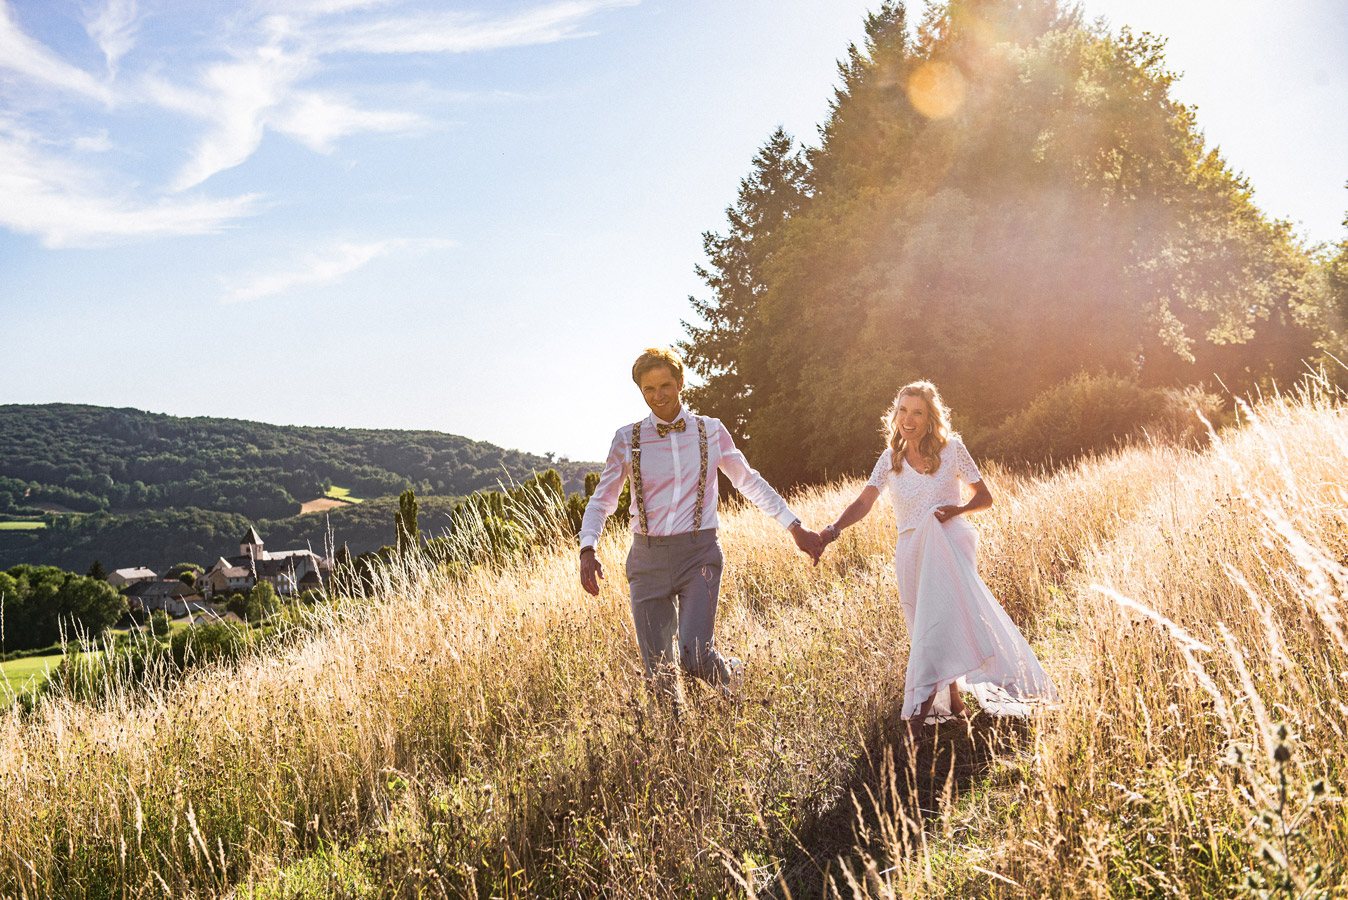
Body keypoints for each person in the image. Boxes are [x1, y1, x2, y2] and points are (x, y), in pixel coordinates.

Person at [579, 347, 822, 705]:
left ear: (680, 383)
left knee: (694, 657)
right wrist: (588, 548)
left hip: (699, 555)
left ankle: (731, 675)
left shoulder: (711, 431)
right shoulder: (627, 439)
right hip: (646, 561)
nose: (659, 396)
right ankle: (675, 738)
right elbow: (602, 500)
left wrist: (794, 527)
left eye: (665, 385)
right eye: (649, 389)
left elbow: (748, 481)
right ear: (640, 391)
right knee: (659, 675)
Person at [817, 381, 1058, 723]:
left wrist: (958, 510)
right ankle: (956, 705)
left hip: (948, 549)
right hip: (911, 554)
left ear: (930, 417)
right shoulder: (889, 460)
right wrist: (831, 531)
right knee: (926, 630)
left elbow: (985, 498)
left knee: (937, 632)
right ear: (894, 415)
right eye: (902, 410)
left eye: (917, 412)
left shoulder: (953, 450)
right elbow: (864, 501)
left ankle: (914, 725)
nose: (908, 419)